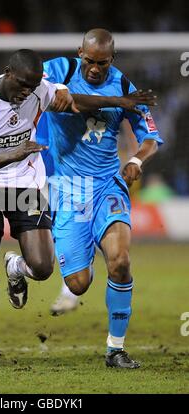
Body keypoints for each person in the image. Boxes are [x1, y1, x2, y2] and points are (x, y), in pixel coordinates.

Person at [0, 48, 157, 373]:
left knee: (44, 267)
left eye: (32, 86)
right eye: (22, 84)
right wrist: (15, 153)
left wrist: (121, 103)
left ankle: (17, 268)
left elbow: (77, 101)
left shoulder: (38, 90)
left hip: (25, 185)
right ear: (8, 73)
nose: (26, 92)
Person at [36, 29, 163, 369]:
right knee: (77, 285)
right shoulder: (59, 70)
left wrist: (136, 159)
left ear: (112, 59)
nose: (94, 68)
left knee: (120, 261)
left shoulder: (124, 85)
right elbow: (66, 99)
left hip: (109, 184)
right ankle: (26, 264)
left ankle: (115, 349)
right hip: (68, 187)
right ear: (80, 53)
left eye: (102, 63)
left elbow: (150, 136)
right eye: (89, 61)